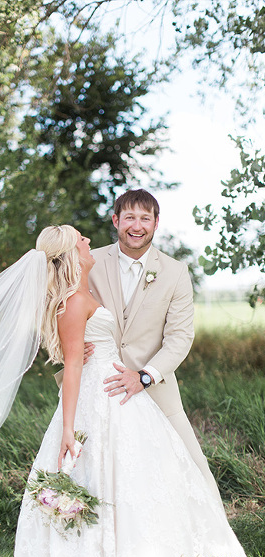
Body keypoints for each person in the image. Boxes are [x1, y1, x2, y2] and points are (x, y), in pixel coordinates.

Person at [0, 225, 253, 557]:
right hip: (97, 396)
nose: (88, 241)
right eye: (80, 239)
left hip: (114, 391)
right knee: (102, 470)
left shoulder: (81, 294)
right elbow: (72, 368)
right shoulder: (73, 302)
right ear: (71, 254)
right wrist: (68, 429)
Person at [84, 189, 221, 503]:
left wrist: (144, 377)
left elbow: (180, 337)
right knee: (98, 469)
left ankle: (211, 525)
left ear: (156, 223)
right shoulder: (90, 262)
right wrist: (69, 348)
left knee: (192, 465)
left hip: (155, 387)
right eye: (129, 217)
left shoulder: (175, 272)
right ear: (116, 220)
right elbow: (62, 311)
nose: (137, 226)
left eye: (145, 218)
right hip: (99, 387)